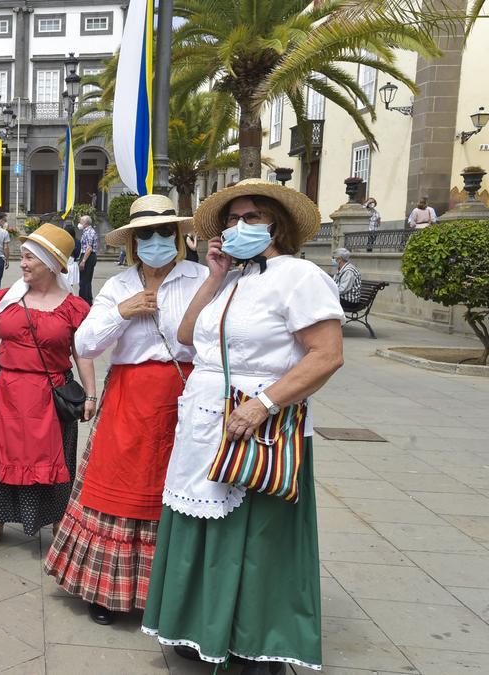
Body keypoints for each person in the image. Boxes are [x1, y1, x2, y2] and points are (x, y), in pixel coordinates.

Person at [142, 179, 344, 673]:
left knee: (252, 539)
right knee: (198, 528)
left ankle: (253, 640)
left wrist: (263, 405)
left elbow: (328, 355)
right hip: (205, 421)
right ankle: (199, 627)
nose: (239, 226)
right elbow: (188, 336)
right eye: (232, 219)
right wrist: (213, 277)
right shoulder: (230, 278)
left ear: (277, 223)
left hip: (258, 427)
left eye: (251, 217)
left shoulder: (300, 276)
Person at [44, 194, 205, 626]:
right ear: (133, 242)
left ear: (179, 236)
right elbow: (85, 344)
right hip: (129, 396)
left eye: (165, 232)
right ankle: (106, 590)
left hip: (186, 398)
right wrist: (122, 312)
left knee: (177, 491)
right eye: (146, 234)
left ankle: (171, 591)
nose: (156, 241)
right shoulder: (119, 286)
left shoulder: (203, 278)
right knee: (115, 490)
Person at [0, 224, 94, 546]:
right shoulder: (7, 299)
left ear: (50, 263)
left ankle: (55, 520)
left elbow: (82, 353)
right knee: (1, 456)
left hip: (51, 396)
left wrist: (91, 394)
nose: (22, 264)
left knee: (53, 461)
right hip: (7, 388)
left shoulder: (72, 307)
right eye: (22, 257)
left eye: (29, 258)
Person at [333, 247, 363, 311]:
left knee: (325, 300)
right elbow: (334, 283)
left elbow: (342, 289)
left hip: (349, 301)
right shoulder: (341, 268)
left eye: (334, 258)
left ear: (339, 259)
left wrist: (329, 292)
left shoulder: (349, 271)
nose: (333, 260)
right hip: (342, 298)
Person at [78, 215, 99, 303]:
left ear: (86, 223)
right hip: (89, 256)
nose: (79, 223)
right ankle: (88, 299)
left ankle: (84, 299)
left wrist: (83, 261)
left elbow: (89, 248)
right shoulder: (87, 231)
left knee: (84, 280)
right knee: (87, 279)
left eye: (81, 221)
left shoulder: (89, 232)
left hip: (88, 256)